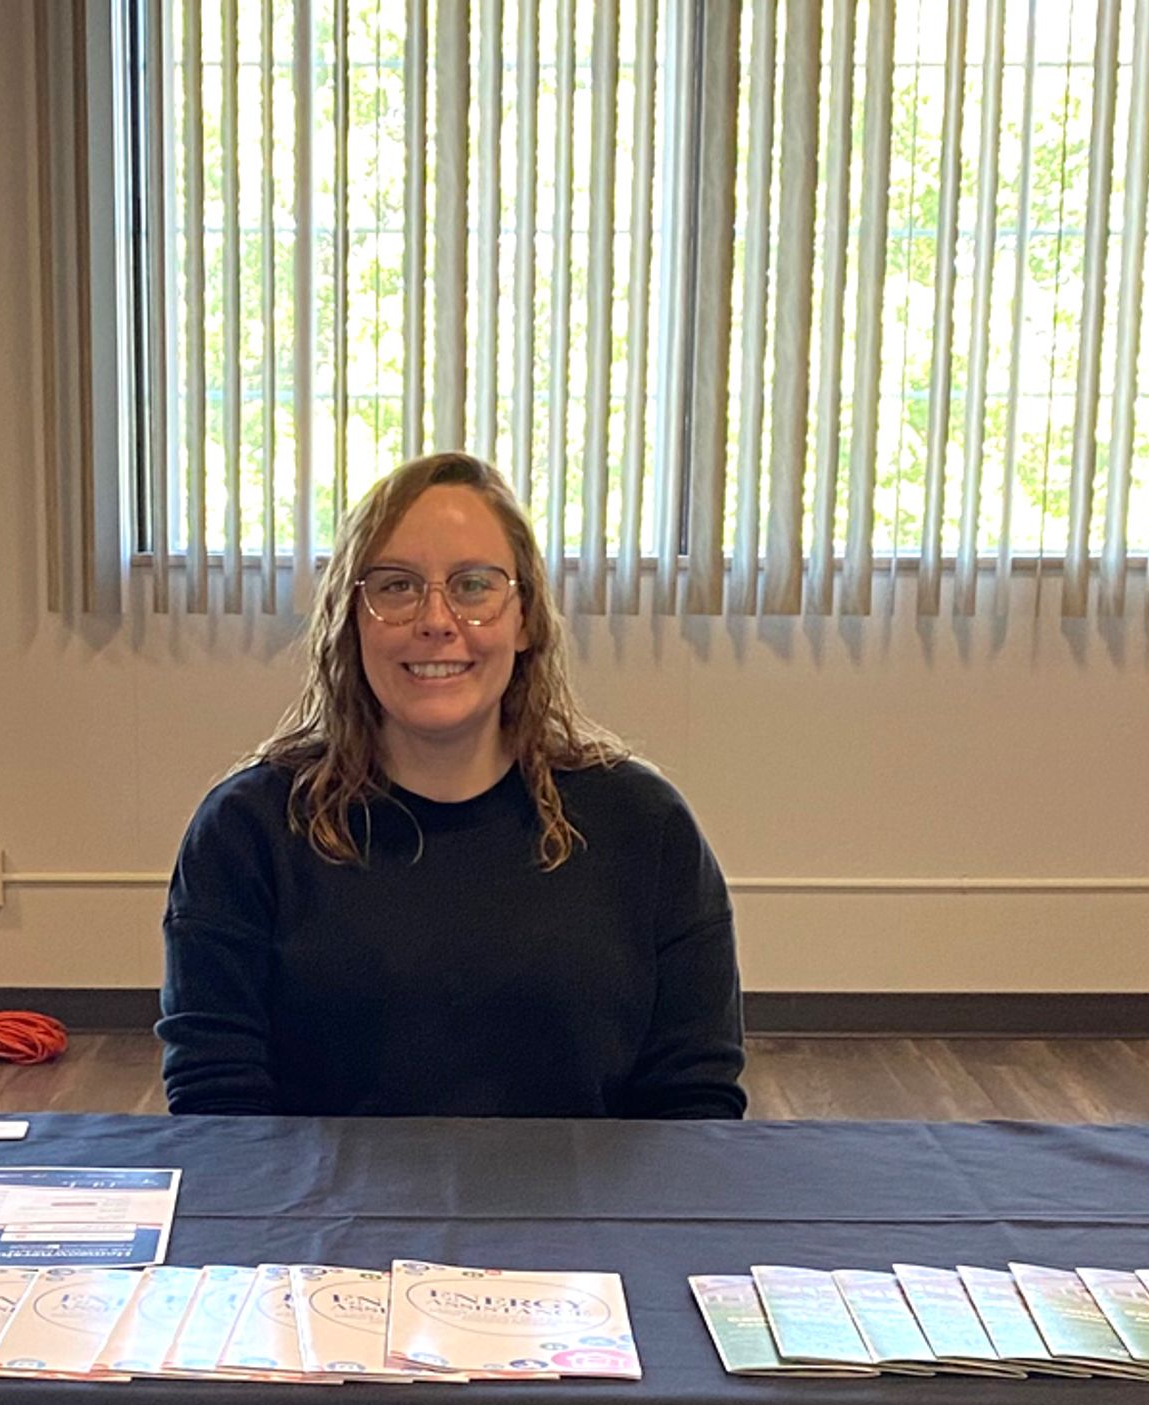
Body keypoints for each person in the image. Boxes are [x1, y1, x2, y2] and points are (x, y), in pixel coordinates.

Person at [157, 453, 747, 1119]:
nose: (436, 619)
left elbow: (695, 1107)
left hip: (582, 1223)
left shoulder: (644, 825)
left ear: (524, 618)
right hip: (329, 1223)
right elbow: (218, 1111)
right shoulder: (247, 833)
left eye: (473, 585)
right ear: (352, 618)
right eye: (397, 586)